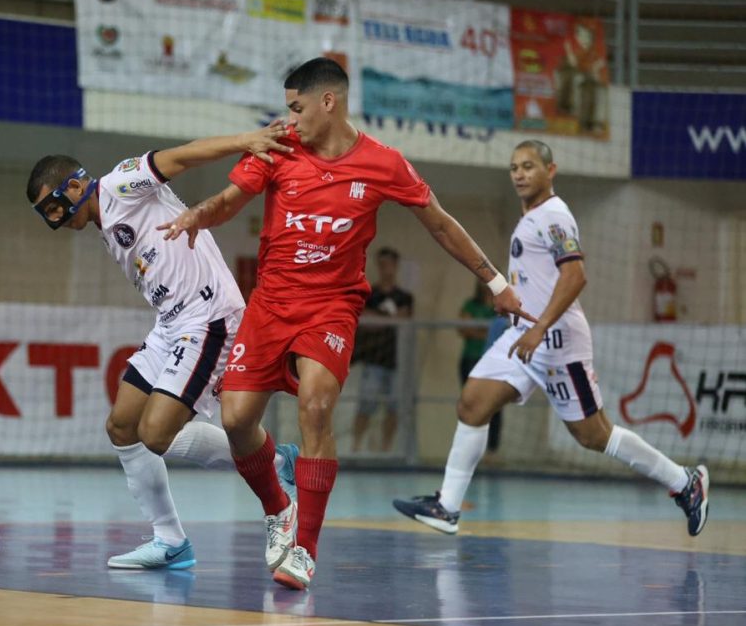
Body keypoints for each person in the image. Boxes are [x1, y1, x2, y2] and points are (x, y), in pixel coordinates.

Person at [158, 57, 532, 590]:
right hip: (271, 302)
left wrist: (495, 282)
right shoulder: (279, 147)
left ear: (328, 102)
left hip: (332, 305)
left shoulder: (384, 163)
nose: (289, 118)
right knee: (237, 420)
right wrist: (199, 214)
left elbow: (440, 225)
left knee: (315, 405)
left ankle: (305, 550)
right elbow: (230, 201)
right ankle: (278, 508)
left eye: (297, 107)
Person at [393, 140, 709, 537]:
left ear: (551, 170)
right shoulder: (532, 217)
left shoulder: (555, 215)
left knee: (593, 435)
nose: (519, 174)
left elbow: (575, 276)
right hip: (523, 336)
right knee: (473, 402)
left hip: (558, 343)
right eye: (514, 168)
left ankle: (684, 481)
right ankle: (447, 507)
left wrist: (540, 327)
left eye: (528, 166)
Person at [26, 123, 300, 570]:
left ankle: (271, 462)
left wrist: (245, 141)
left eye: (54, 207)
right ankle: (170, 541)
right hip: (170, 325)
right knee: (122, 427)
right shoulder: (104, 222)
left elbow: (183, 155)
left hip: (206, 317)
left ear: (75, 185)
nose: (54, 220)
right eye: (46, 216)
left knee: (155, 435)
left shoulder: (119, 185)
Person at [351, 247, 413, 454]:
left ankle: (387, 449)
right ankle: (356, 446)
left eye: (390, 264)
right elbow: (365, 320)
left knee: (393, 407)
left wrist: (379, 319)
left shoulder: (404, 296)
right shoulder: (370, 294)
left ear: (396, 266)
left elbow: (403, 319)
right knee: (366, 405)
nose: (386, 268)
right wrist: (389, 320)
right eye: (382, 264)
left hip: (396, 361)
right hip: (373, 360)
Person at [458, 280, 503, 454]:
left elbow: (506, 331)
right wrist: (490, 333)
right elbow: (464, 329)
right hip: (471, 358)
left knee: (494, 405)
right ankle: (469, 448)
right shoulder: (470, 305)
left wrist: (481, 332)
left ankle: (491, 449)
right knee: (470, 404)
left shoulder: (501, 306)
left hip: (494, 361)